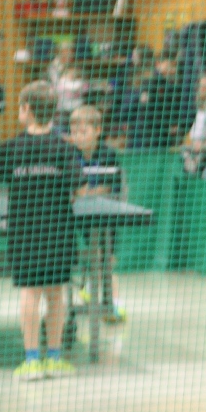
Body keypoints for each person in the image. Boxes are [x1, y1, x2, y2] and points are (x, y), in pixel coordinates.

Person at [0, 82, 82, 380]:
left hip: (25, 234)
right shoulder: (64, 148)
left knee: (30, 293)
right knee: (56, 293)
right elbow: (78, 187)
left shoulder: (11, 148)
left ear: (26, 109)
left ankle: (31, 360)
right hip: (58, 233)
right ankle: (55, 358)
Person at [69, 105, 126, 323]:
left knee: (106, 257)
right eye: (74, 132)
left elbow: (108, 186)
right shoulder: (70, 154)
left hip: (106, 213)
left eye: (83, 132)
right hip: (80, 214)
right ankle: (100, 294)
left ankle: (111, 301)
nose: (78, 136)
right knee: (100, 256)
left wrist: (85, 193)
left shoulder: (108, 154)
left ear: (98, 130)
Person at [123, 48, 186, 150]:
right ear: (159, 63)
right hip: (147, 135)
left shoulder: (169, 84)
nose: (173, 69)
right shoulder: (152, 82)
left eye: (174, 65)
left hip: (156, 134)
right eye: (170, 65)